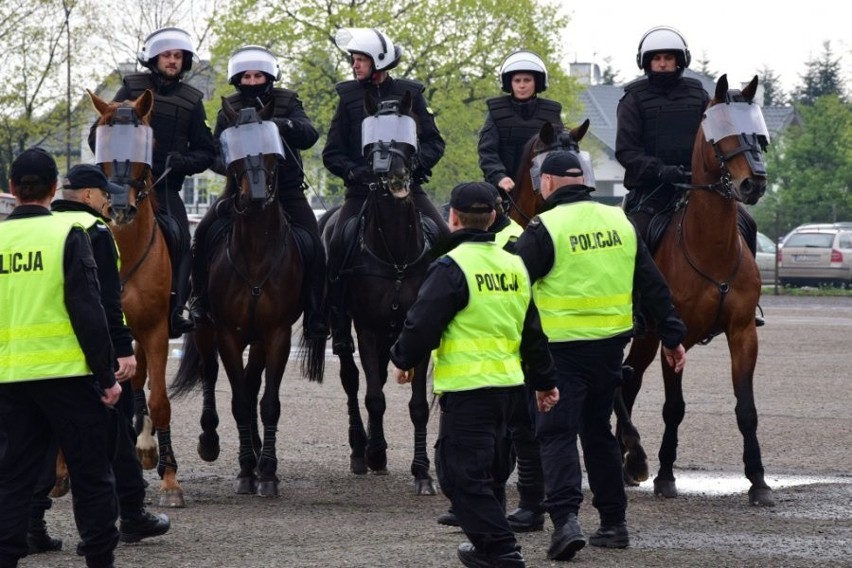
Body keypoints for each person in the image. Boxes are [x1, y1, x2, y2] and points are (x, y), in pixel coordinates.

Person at [513, 151, 687, 561]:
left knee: (555, 434)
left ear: (550, 184)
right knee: (598, 434)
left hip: (559, 349)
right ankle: (614, 524)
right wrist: (673, 335)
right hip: (610, 346)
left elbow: (515, 289)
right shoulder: (618, 221)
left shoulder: (544, 227)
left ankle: (566, 521)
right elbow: (652, 281)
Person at [390, 182, 559, 568]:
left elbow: (422, 323)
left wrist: (403, 358)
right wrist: (546, 381)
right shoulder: (515, 264)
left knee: (459, 477)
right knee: (491, 471)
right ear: (495, 218)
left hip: (470, 391)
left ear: (452, 218)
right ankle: (485, 549)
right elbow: (533, 331)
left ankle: (502, 551)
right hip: (511, 389)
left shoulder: (452, 266)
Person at [23, 164, 171, 553]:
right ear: (88, 196)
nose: (110, 201)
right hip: (94, 355)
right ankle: (132, 513)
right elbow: (108, 299)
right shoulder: (97, 232)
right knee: (117, 439)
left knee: (42, 441)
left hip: (39, 360)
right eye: (104, 194)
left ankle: (32, 523)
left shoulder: (47, 228)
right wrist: (123, 349)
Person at [0, 148, 123, 568]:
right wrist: (107, 375)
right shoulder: (67, 235)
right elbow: (89, 311)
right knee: (91, 476)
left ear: (13, 189)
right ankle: (98, 557)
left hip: (9, 379)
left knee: (11, 479)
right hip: (67, 376)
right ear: (55, 189)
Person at [615, 26, 764, 326]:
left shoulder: (698, 94)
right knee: (636, 235)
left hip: (699, 185)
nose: (662, 63)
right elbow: (626, 151)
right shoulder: (633, 99)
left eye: (668, 58)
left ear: (680, 61)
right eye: (656, 58)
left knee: (747, 222)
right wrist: (661, 170)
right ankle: (635, 307)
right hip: (652, 190)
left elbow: (717, 134)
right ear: (646, 63)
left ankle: (746, 299)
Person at [323, 27, 449, 354]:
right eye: (354, 59)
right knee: (338, 240)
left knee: (445, 236)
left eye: (361, 59)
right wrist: (353, 170)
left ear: (379, 61)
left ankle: (448, 311)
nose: (355, 65)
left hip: (407, 186)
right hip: (362, 191)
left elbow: (435, 142)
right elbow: (332, 152)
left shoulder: (412, 94)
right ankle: (336, 321)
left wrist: (417, 164)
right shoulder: (348, 97)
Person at [189, 45, 327, 340]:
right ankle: (199, 300)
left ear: (269, 76)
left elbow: (309, 134)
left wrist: (283, 125)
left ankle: (316, 313)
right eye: (247, 76)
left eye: (258, 76)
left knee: (315, 244)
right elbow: (216, 153)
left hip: (286, 192)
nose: (252, 81)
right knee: (202, 234)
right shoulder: (229, 110)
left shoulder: (288, 101)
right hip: (238, 194)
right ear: (238, 80)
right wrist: (235, 170)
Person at [89, 26, 216, 337]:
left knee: (183, 239)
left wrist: (183, 161)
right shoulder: (131, 87)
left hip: (165, 185)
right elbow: (99, 133)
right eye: (166, 55)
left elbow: (206, 151)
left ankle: (177, 307)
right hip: (122, 184)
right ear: (154, 58)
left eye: (177, 56)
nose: (172, 61)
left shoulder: (191, 99)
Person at [436, 187, 547, 533]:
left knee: (519, 434)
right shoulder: (453, 243)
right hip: (480, 355)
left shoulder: (520, 238)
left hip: (506, 352)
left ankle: (526, 507)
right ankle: (478, 506)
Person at [478, 50, 563, 196]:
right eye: (517, 80)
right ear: (510, 83)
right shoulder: (496, 112)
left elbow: (561, 151)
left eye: (527, 80)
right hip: (503, 187)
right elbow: (487, 151)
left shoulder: (552, 113)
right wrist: (499, 176)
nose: (522, 85)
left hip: (544, 187)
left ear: (537, 82)